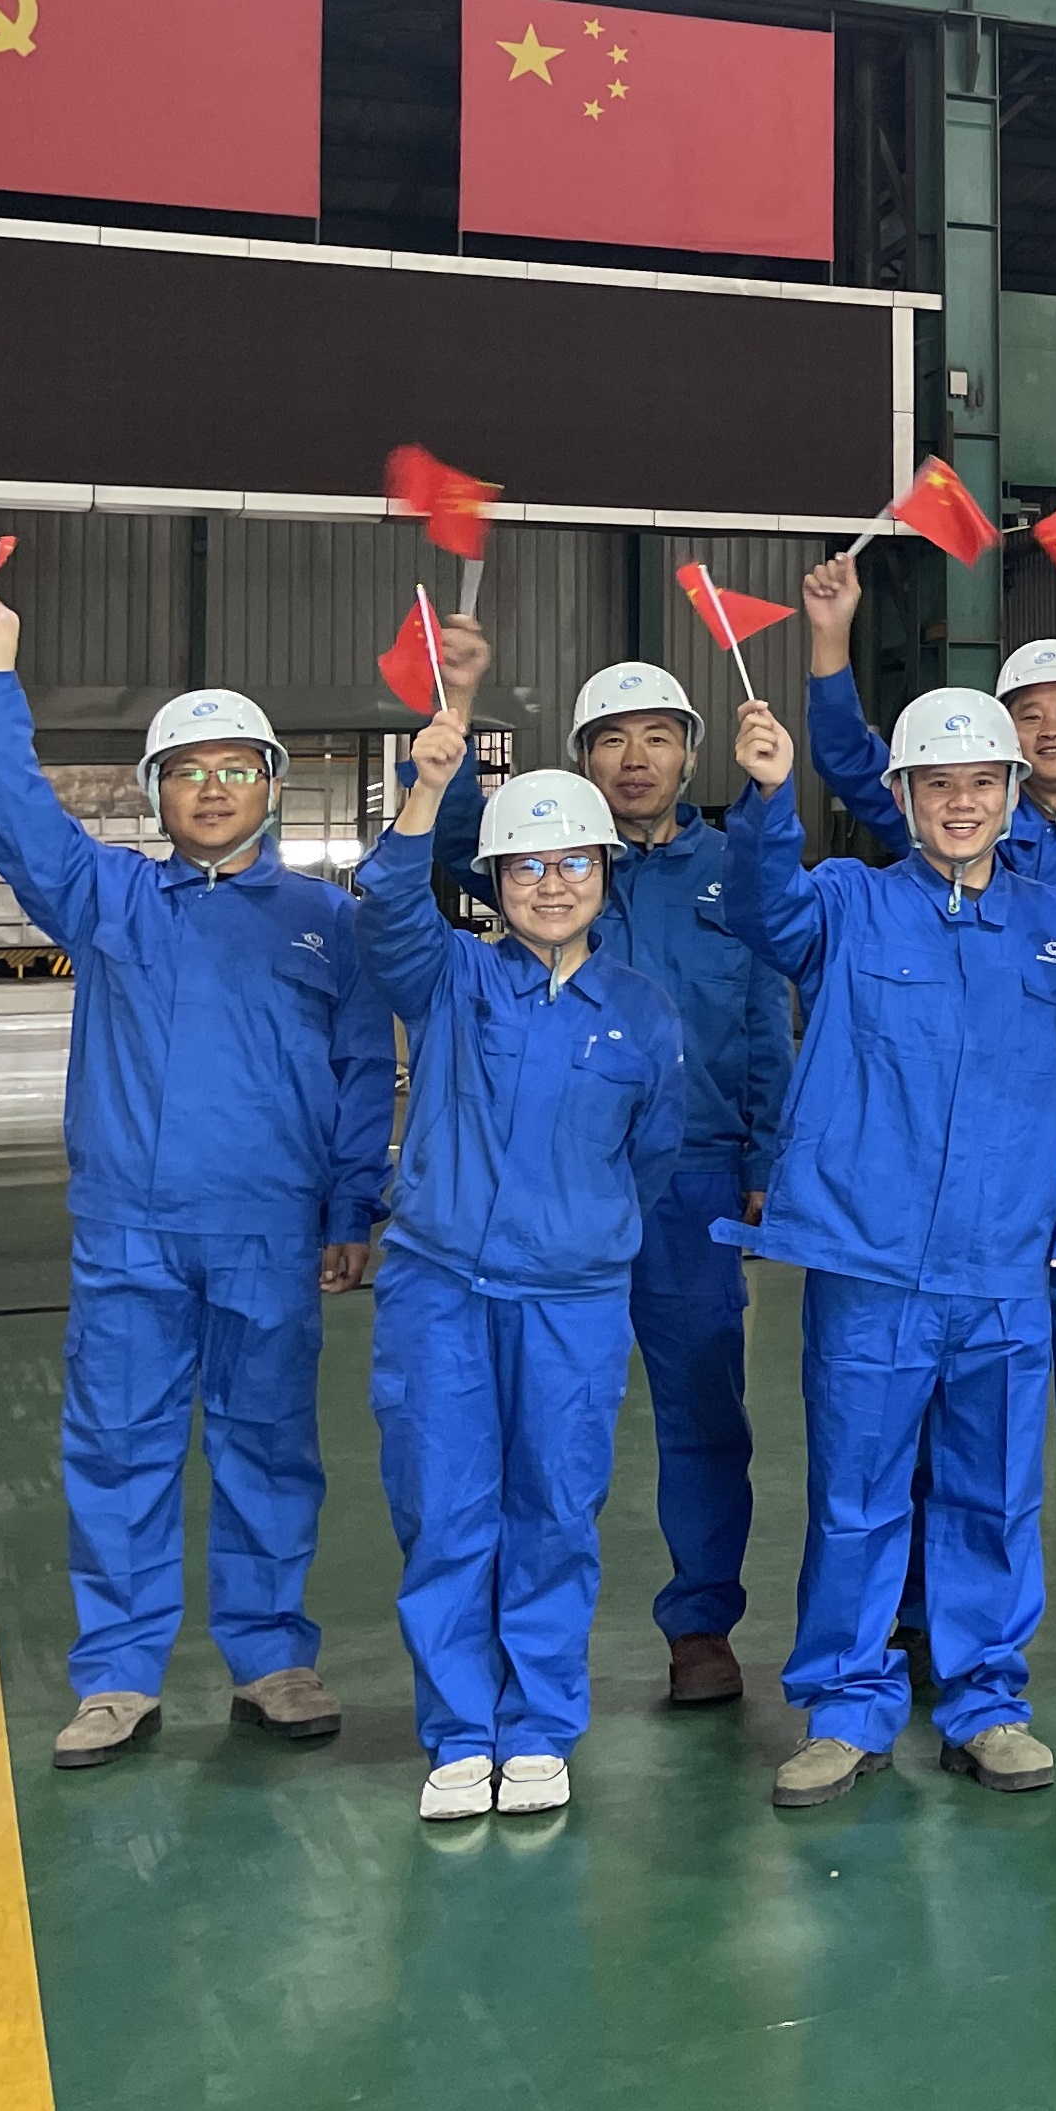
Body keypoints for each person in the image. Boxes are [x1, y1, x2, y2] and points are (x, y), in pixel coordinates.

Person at [0, 592, 392, 1770]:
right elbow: (9, 812)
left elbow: (361, 1073)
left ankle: (271, 1659)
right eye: (186, 771)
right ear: (154, 795)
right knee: (118, 1445)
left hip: (270, 1232)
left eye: (236, 768)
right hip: (130, 1233)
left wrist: (352, 1207)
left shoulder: (327, 922)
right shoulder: (110, 900)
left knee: (268, 1446)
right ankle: (116, 1676)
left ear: (273, 785)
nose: (211, 789)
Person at [719, 690, 1056, 1810]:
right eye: (938, 783)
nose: (962, 802)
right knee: (857, 1496)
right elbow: (761, 910)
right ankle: (844, 1708)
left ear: (1011, 794)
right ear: (901, 796)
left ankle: (986, 1703)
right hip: (875, 1265)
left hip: (1008, 1267)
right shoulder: (846, 903)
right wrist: (767, 798)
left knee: (991, 1494)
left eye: (982, 782)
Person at [800, 565, 1056, 1681]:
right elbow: (853, 760)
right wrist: (830, 647)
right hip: (949, 1172)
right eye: (1029, 714)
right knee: (942, 1400)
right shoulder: (963, 818)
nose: (1052, 729)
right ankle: (917, 1609)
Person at [426, 626, 797, 1709]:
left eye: (656, 738)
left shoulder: (734, 875)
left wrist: (767, 1155)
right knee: (536, 1419)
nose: (635, 760)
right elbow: (453, 843)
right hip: (550, 1189)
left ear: (690, 753)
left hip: (694, 1181)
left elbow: (765, 1021)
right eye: (611, 740)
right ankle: (519, 1641)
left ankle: (702, 1626)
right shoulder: (552, 866)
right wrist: (457, 711)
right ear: (582, 758)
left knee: (702, 1411)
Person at [362, 721, 686, 1821]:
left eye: (574, 862)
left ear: (606, 871)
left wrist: (580, 1231)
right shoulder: (451, 978)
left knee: (554, 1510)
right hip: (440, 1291)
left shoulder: (641, 1013)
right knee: (445, 1507)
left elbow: (650, 1153)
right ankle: (461, 1732)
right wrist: (426, 791)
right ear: (494, 882)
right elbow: (385, 906)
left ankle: (538, 1726)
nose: (552, 884)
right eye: (527, 865)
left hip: (573, 1301)